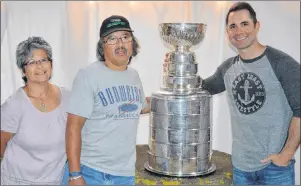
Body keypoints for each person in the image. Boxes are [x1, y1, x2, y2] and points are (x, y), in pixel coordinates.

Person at [164, 2, 300, 185]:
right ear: (228, 33)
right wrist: (178, 66)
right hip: (241, 167)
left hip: (274, 169)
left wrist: (286, 154)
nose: (239, 31)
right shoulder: (228, 68)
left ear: (256, 26)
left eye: (245, 24)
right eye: (232, 26)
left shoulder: (282, 63)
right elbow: (203, 88)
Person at [62, 15, 150, 185]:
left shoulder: (133, 76)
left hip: (124, 175)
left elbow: (137, 106)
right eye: (112, 39)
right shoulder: (88, 75)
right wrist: (74, 174)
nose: (120, 44)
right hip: (91, 171)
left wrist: (173, 94)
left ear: (132, 43)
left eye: (125, 37)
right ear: (103, 46)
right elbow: (73, 126)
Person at [0, 36, 70, 185]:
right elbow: (1, 144)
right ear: (23, 70)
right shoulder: (15, 104)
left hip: (54, 181)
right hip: (17, 181)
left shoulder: (68, 98)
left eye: (44, 60)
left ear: (51, 64)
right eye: (31, 62)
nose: (39, 66)